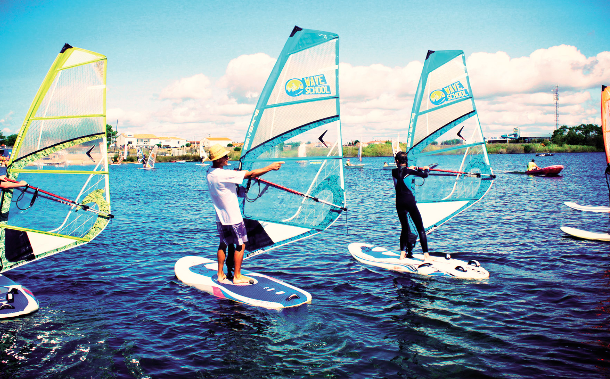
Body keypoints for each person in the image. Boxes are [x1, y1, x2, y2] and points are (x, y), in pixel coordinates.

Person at [206, 144, 284, 284]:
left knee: (223, 244)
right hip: (233, 217)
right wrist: (270, 167)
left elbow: (227, 178)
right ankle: (237, 276)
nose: (227, 157)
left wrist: (236, 174)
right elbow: (251, 174)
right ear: (217, 160)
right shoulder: (225, 174)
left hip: (220, 217)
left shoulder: (210, 173)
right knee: (240, 245)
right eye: (224, 156)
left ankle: (220, 274)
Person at [391, 151, 431, 261]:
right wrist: (425, 169)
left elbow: (402, 170)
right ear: (406, 161)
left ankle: (402, 254)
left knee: (404, 228)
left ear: (397, 161)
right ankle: (426, 255)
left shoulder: (393, 171)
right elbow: (425, 175)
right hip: (409, 201)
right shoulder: (410, 171)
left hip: (399, 202)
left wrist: (412, 169)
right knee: (420, 229)